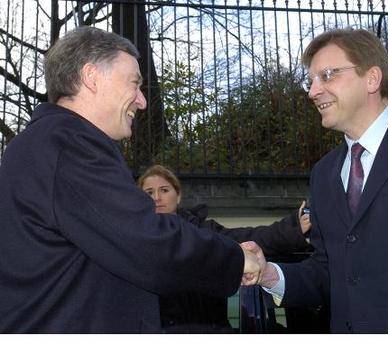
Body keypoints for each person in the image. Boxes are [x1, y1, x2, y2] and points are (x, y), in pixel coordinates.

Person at [0, 26, 261, 333]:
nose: (142, 101)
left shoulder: (45, 143)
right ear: (91, 77)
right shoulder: (68, 144)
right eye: (134, 84)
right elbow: (147, 242)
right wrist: (235, 259)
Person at [242, 27, 388, 333]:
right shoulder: (324, 173)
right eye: (311, 81)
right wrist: (270, 275)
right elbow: (328, 272)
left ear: (372, 78)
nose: (312, 91)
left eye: (327, 75)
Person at [137, 164, 311, 332]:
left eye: (164, 190)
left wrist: (293, 228)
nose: (157, 198)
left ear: (179, 195)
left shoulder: (204, 232)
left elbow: (250, 239)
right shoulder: (131, 241)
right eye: (149, 192)